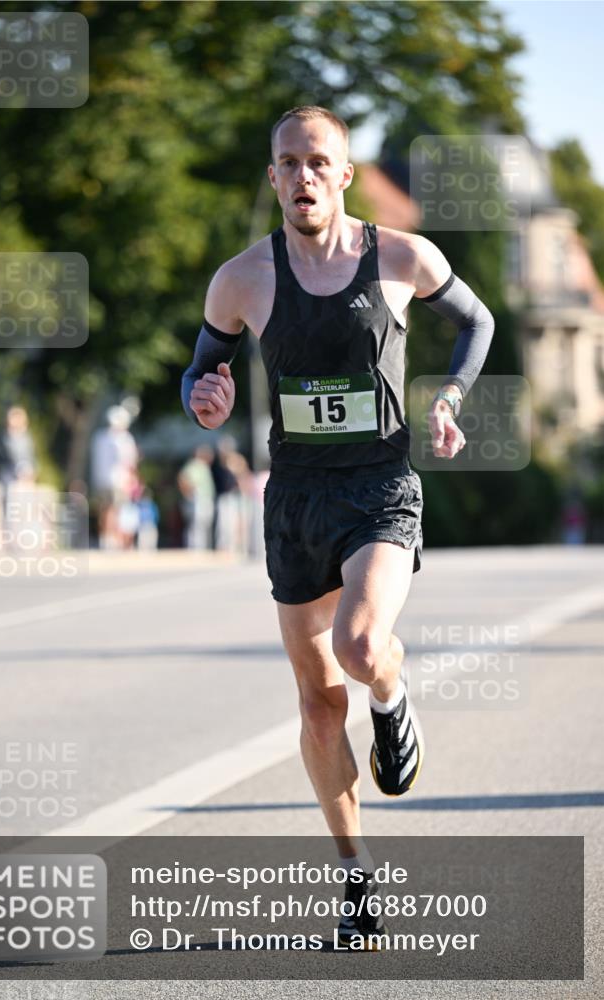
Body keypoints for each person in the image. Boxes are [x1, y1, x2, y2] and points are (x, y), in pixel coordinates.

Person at [181, 106, 494, 948]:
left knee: (360, 648)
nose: (303, 176)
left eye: (319, 161)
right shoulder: (241, 279)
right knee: (318, 707)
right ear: (274, 177)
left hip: (379, 487)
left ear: (344, 175)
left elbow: (477, 321)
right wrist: (202, 397)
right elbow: (201, 370)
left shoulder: (399, 256)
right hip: (294, 502)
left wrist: (452, 397)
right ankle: (356, 878)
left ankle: (391, 696)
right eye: (288, 163)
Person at [90, 405, 139, 549]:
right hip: (119, 480)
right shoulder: (124, 439)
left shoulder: (99, 437)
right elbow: (129, 462)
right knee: (116, 510)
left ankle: (105, 538)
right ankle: (113, 540)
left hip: (101, 479)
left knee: (104, 510)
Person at [177, 444, 216, 549]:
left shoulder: (204, 466)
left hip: (205, 499)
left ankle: (201, 548)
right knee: (196, 526)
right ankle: (195, 548)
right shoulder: (194, 465)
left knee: (203, 525)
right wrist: (188, 494)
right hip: (199, 499)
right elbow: (183, 479)